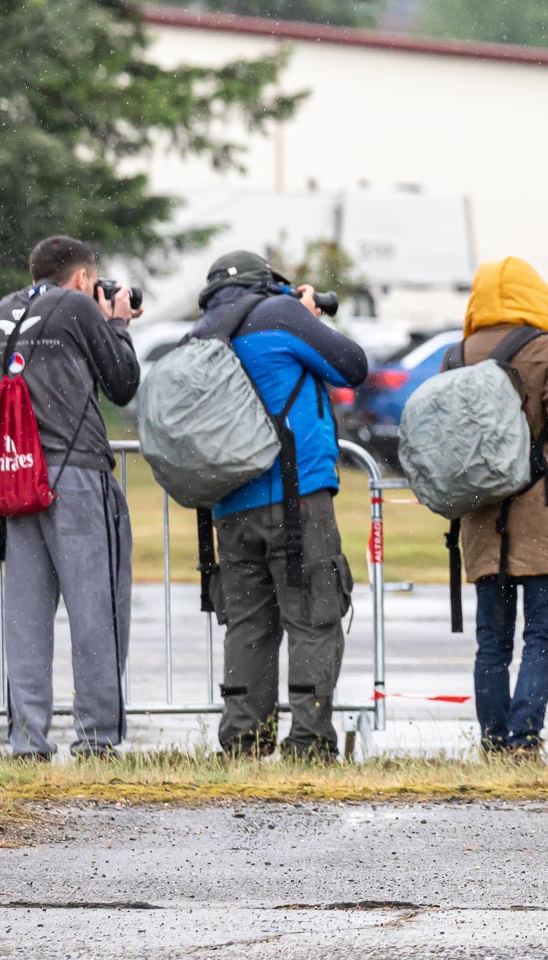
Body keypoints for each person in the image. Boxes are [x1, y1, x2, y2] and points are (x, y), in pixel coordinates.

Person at [184, 252, 367, 760]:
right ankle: (308, 745)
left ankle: (243, 741)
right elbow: (353, 367)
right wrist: (307, 315)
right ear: (265, 284)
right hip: (296, 497)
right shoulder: (281, 316)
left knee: (248, 625)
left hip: (228, 505)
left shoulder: (199, 334)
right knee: (312, 616)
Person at [0, 236, 140, 760]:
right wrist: (117, 323)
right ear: (81, 277)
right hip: (76, 477)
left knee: (26, 620)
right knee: (97, 612)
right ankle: (97, 739)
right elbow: (121, 384)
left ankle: (27, 741)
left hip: (16, 479)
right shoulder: (78, 306)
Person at [456, 258, 548, 757]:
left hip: (482, 514)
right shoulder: (546, 349)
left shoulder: (458, 353)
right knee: (541, 637)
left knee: (492, 641)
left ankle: (492, 741)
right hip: (542, 513)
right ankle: (524, 739)